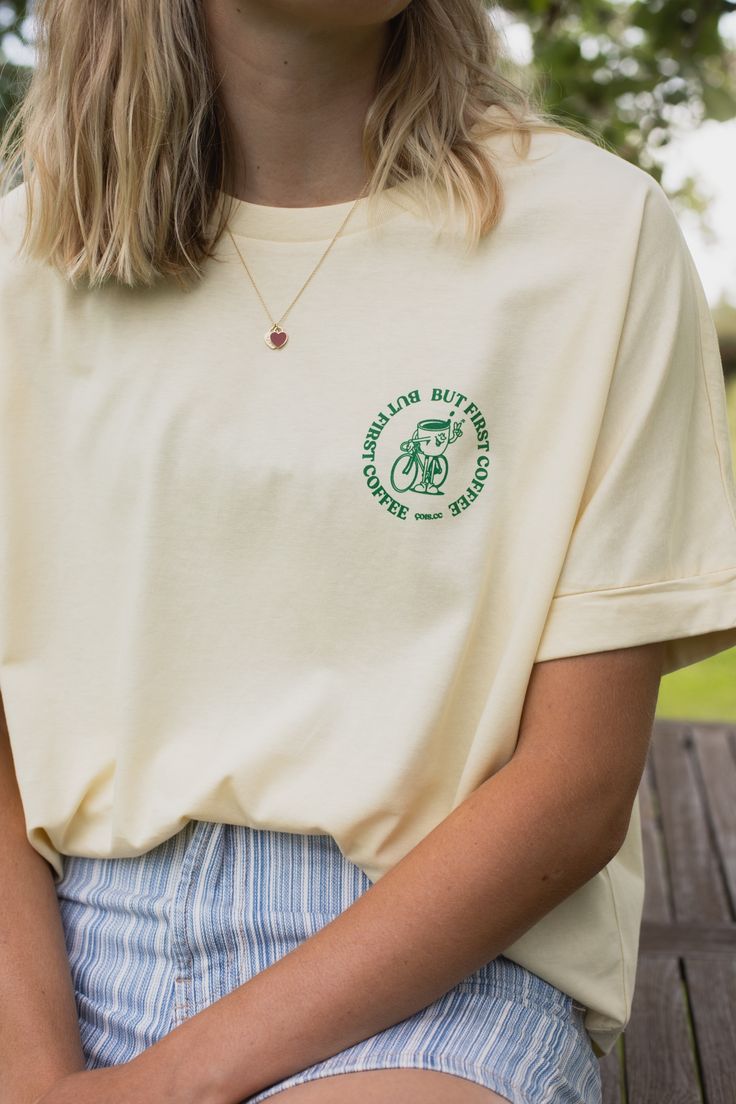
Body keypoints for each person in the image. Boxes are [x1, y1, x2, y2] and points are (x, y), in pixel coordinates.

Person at [1, 2, 735, 1102]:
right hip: (54, 951)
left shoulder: (594, 238)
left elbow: (576, 787)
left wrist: (165, 1086)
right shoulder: (27, 262)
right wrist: (35, 1075)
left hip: (431, 981)